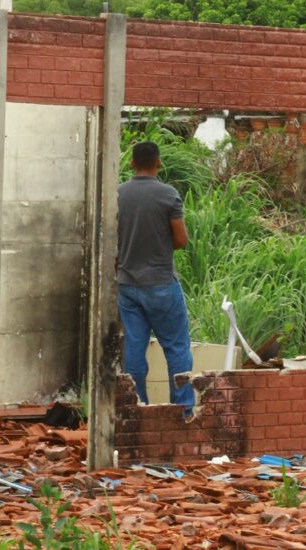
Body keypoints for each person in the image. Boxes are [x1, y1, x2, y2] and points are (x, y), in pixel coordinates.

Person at [116, 141, 194, 416]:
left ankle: (136, 409)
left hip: (127, 286)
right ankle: (183, 412)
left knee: (135, 350)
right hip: (161, 284)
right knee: (177, 348)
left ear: (132, 163)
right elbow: (181, 240)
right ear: (158, 163)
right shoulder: (168, 195)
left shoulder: (118, 194)